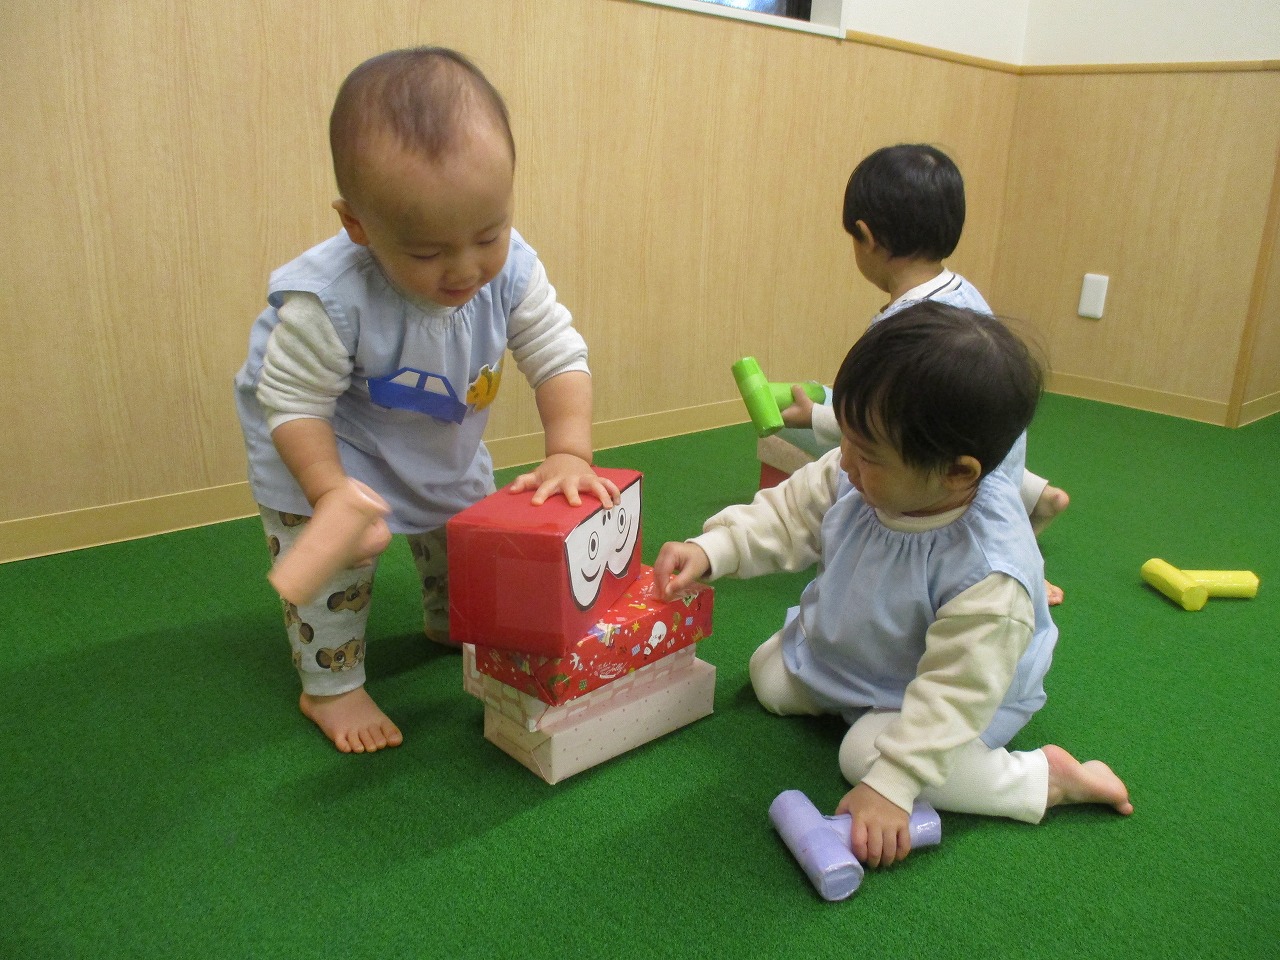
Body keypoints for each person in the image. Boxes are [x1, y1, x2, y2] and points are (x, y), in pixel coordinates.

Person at [234, 47, 619, 754]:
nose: (466, 268)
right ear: (358, 226)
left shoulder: (512, 271)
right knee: (338, 571)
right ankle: (331, 687)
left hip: (438, 435)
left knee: (464, 533)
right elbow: (289, 400)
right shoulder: (330, 299)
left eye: (487, 235)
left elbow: (558, 354)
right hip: (324, 442)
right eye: (426, 252)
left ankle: (451, 621)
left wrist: (569, 449)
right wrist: (329, 492)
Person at [655, 304, 1132, 868]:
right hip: (865, 650)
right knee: (770, 677)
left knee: (864, 755)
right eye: (846, 438)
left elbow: (956, 690)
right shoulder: (859, 471)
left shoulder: (988, 573)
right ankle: (857, 699)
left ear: (957, 473)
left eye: (867, 454)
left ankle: (1041, 779)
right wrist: (714, 548)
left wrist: (893, 785)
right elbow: (787, 514)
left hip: (960, 687)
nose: (844, 461)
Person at [781, 144, 1070, 547]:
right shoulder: (964, 295)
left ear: (866, 237)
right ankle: (1031, 495)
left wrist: (814, 417)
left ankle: (1021, 511)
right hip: (990, 459)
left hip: (959, 500)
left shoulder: (906, 331)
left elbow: (888, 429)